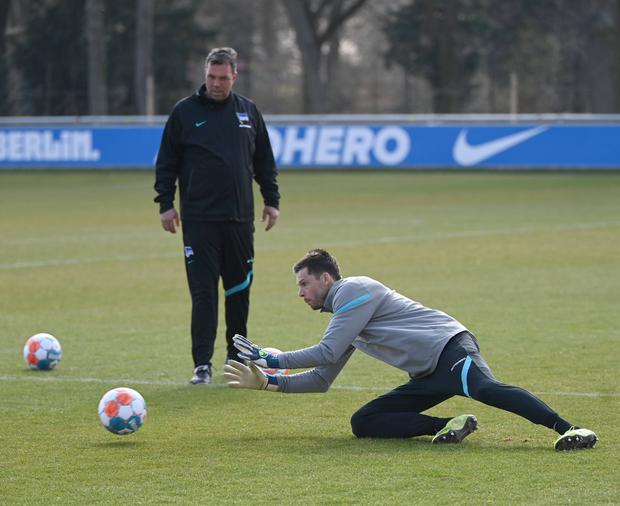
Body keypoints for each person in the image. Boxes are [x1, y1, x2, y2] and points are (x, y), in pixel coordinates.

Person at [224, 249, 598, 451]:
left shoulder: (353, 291)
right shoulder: (345, 316)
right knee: (364, 422)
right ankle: (448, 426)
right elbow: (323, 378)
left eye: (305, 283)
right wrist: (268, 383)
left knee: (485, 388)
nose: (301, 293)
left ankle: (570, 429)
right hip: (428, 374)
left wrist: (270, 359)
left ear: (327, 278)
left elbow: (325, 351)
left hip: (449, 348)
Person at [154, 47, 280, 385]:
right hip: (198, 222)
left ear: (234, 76)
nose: (216, 83)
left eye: (223, 78)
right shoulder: (184, 112)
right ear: (205, 74)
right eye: (211, 77)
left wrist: (271, 200)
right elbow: (166, 162)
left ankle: (236, 359)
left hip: (239, 220)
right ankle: (202, 365)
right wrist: (165, 203)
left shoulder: (248, 112)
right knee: (204, 293)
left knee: (238, 291)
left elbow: (264, 162)